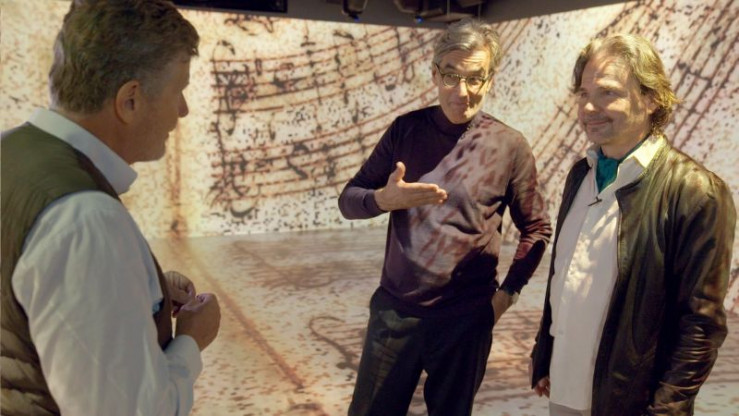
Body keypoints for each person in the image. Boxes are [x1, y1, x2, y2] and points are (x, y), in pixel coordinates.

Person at [1, 1, 221, 415]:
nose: (183, 109)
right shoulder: (85, 220)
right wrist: (192, 340)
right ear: (130, 100)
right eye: (179, 90)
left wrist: (138, 290)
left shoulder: (9, 152)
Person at [338, 18, 552, 416]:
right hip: (395, 313)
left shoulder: (510, 146)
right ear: (435, 74)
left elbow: (537, 229)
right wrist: (383, 200)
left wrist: (505, 297)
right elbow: (348, 199)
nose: (462, 91)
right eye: (451, 75)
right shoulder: (405, 131)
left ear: (490, 80)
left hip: (465, 321)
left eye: (475, 78)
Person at [529, 33, 736, 416]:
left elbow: (701, 322)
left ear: (651, 98)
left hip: (632, 401)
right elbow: (565, 274)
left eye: (608, 93)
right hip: (565, 385)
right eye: (583, 93)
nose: (588, 107)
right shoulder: (582, 174)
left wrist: (667, 408)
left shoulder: (695, 191)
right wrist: (546, 352)